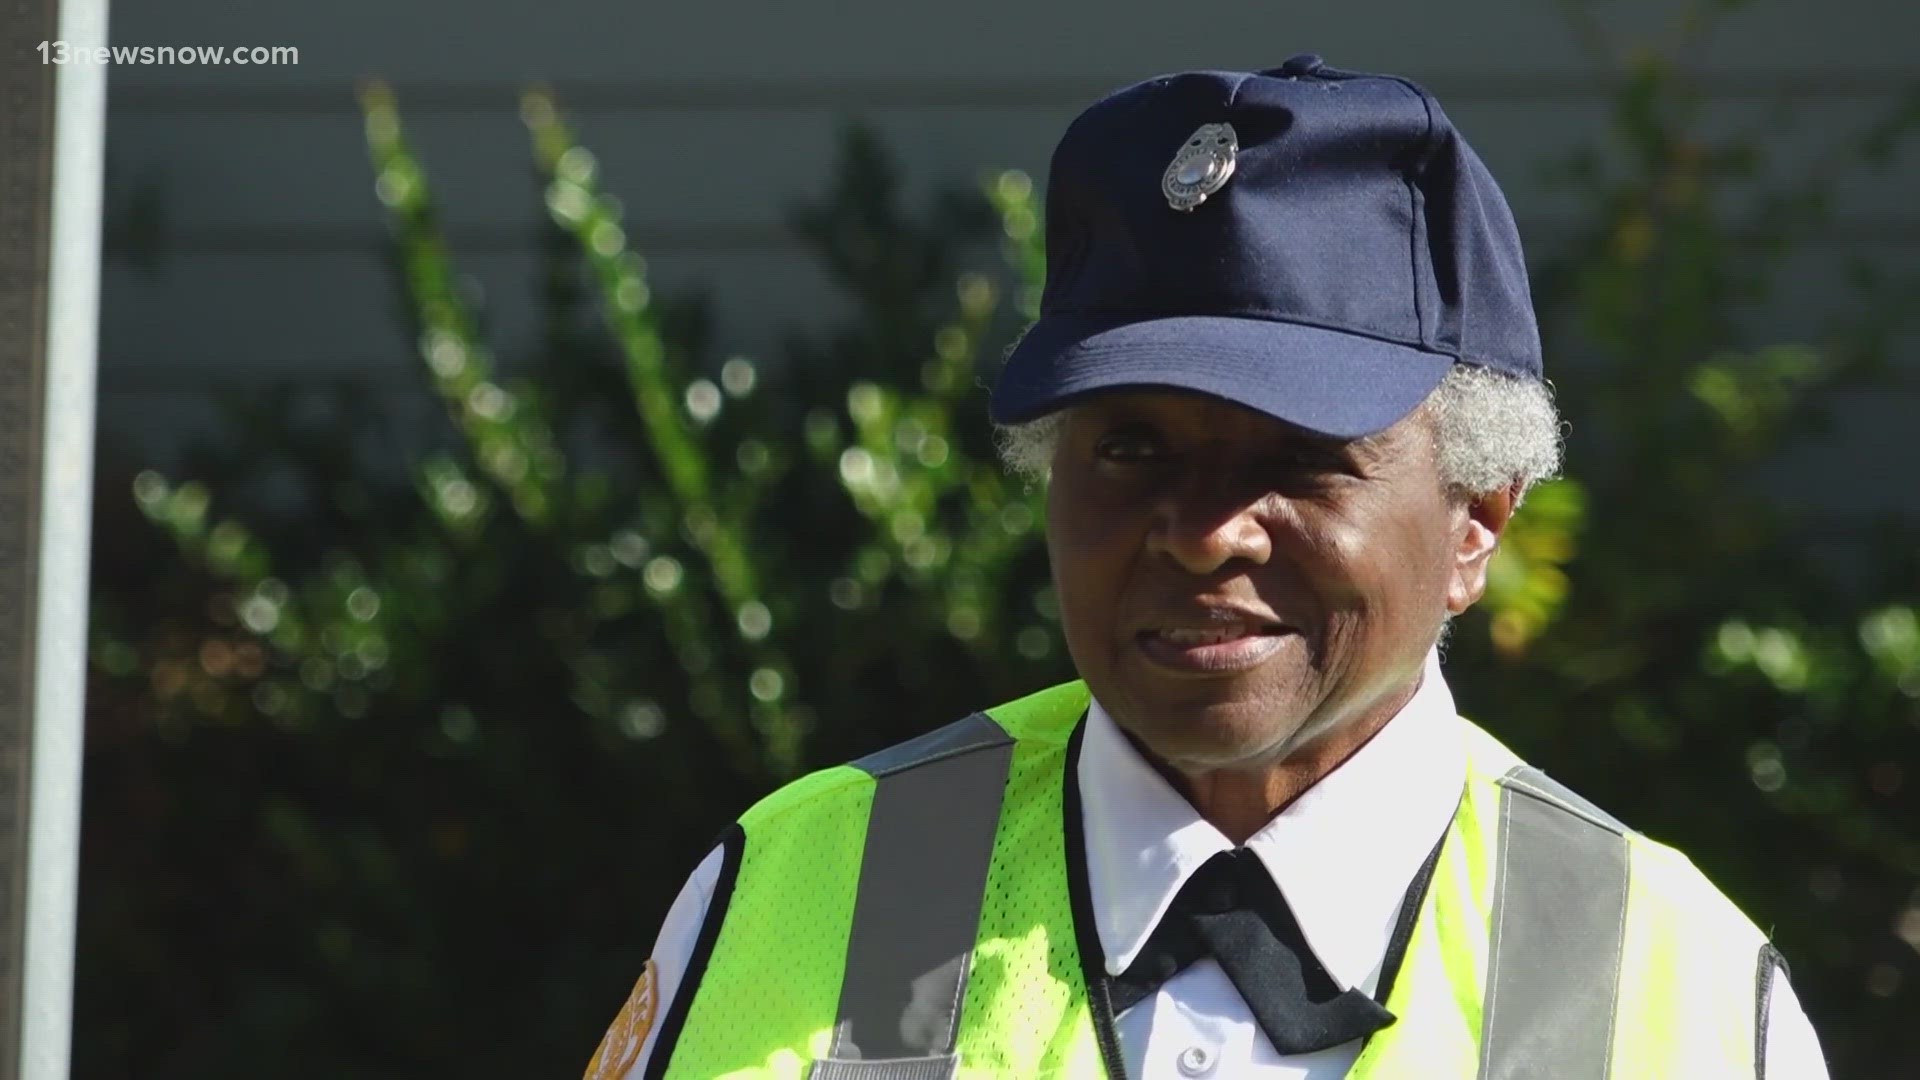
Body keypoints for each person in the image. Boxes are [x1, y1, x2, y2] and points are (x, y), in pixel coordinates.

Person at [584, 56, 1829, 1079]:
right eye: (1129, 445)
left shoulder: (1677, 988)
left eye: (1299, 454)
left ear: (1477, 520)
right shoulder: (809, 885)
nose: (1202, 529)